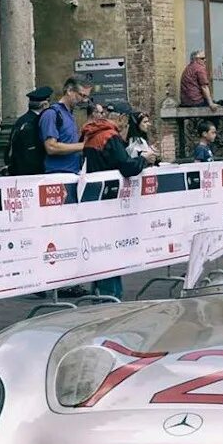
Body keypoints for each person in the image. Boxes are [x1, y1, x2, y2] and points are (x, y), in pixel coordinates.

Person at [79, 102, 150, 298]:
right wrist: (145, 160)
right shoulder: (110, 136)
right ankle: (110, 297)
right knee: (110, 250)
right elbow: (126, 166)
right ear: (122, 118)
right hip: (110, 201)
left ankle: (100, 293)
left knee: (99, 249)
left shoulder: (91, 133)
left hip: (93, 198)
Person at [40, 77, 92, 175]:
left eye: (86, 97)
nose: (84, 100)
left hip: (73, 172)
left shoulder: (70, 114)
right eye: (82, 95)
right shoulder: (52, 114)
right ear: (69, 91)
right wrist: (84, 145)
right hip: (57, 174)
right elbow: (51, 147)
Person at [5, 86, 51, 176]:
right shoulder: (34, 123)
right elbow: (30, 153)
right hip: (30, 174)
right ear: (45, 105)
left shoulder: (22, 120)